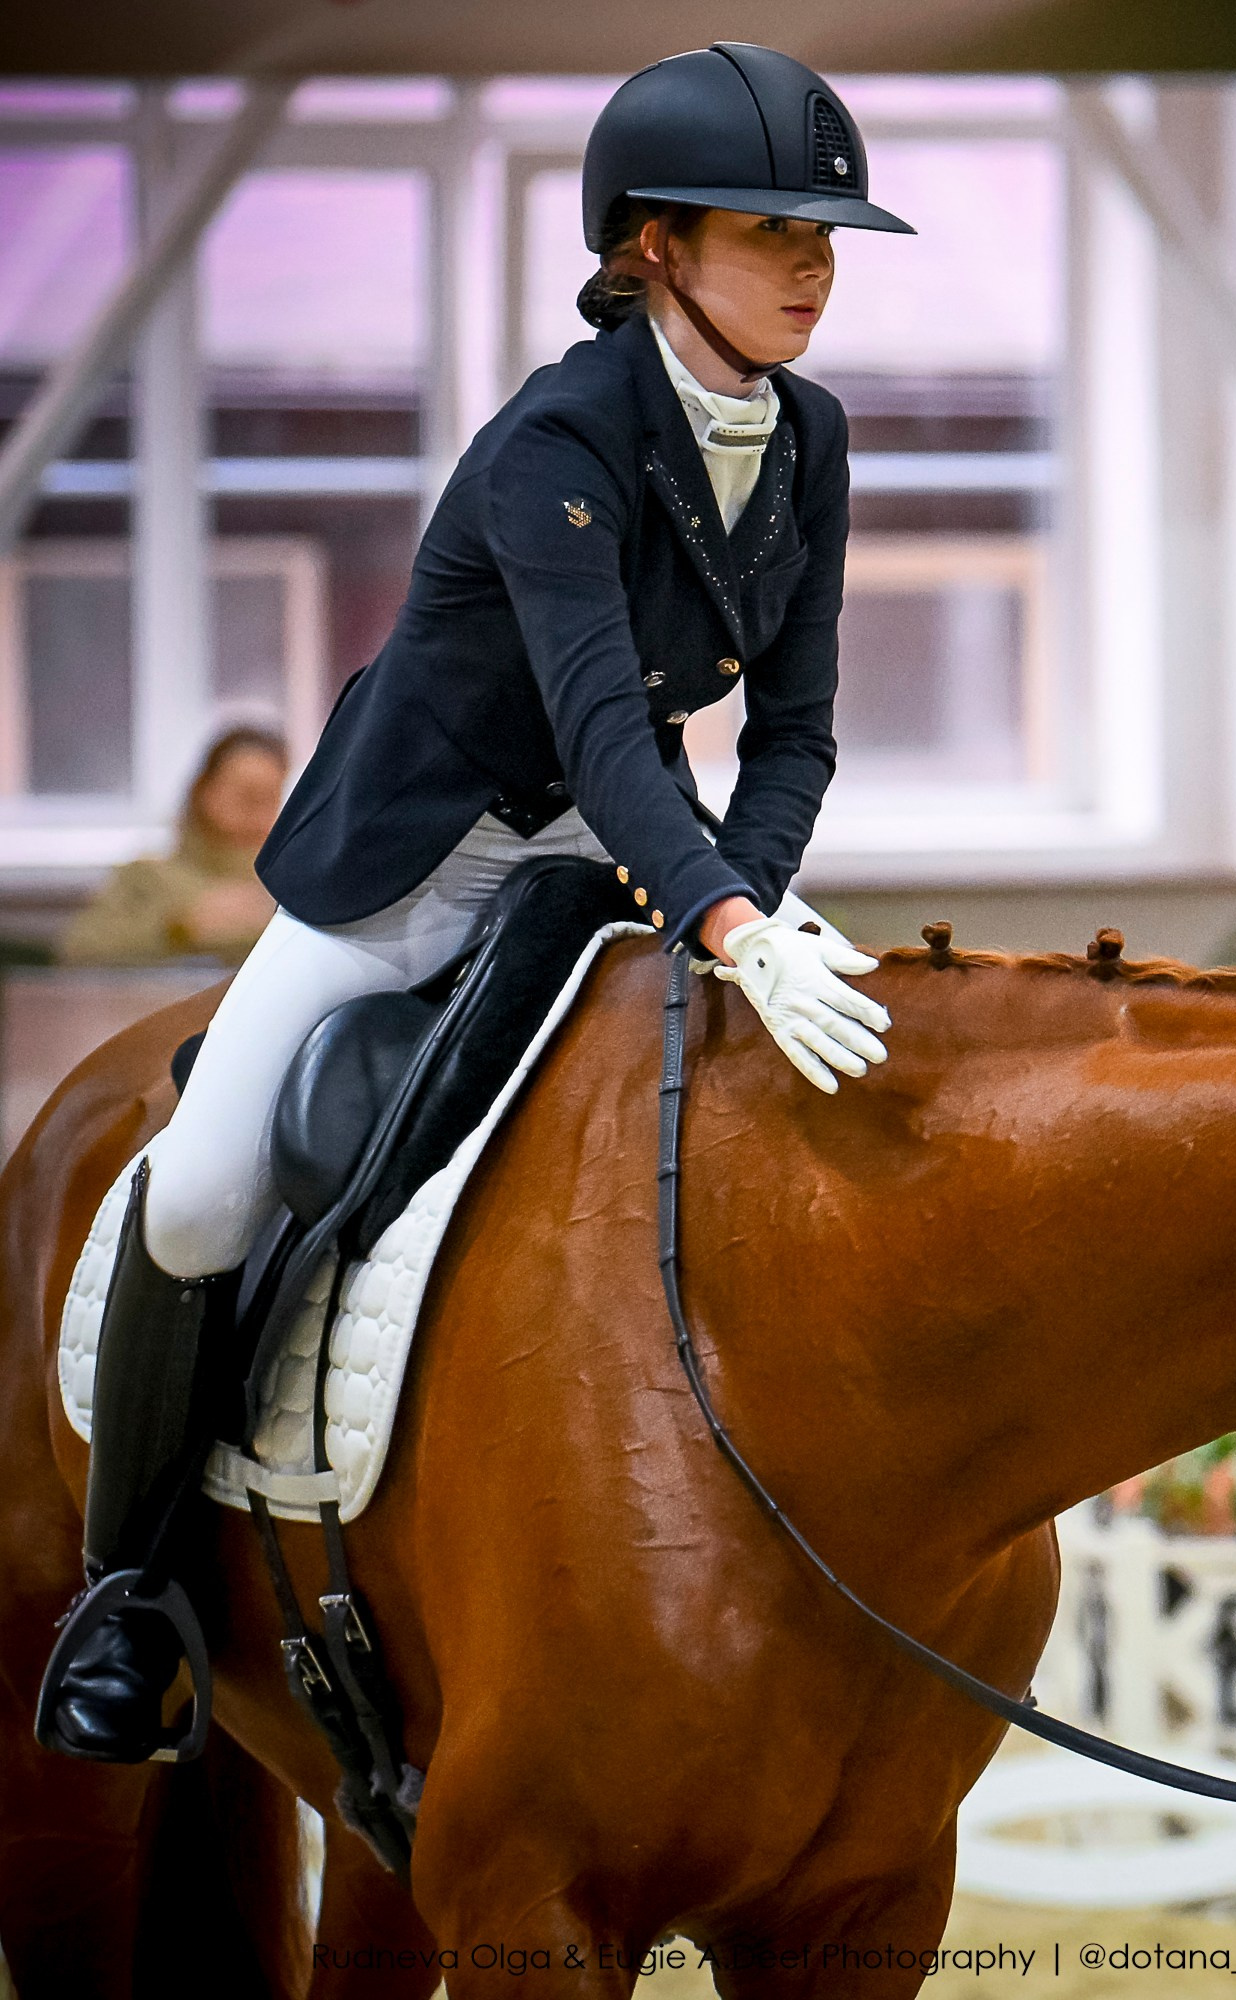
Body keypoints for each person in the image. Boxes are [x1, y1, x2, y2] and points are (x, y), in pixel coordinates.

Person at [41, 42, 911, 1764]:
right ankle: (124, 1590)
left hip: (599, 869)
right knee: (208, 1187)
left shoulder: (810, 436)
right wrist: (725, 920)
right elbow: (604, 714)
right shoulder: (556, 438)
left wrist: (764, 904)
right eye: (774, 230)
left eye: (829, 235)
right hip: (406, 867)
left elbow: (796, 724)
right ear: (652, 244)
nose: (816, 265)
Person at [60, 726, 287, 967]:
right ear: (205, 793)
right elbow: (78, 952)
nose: (260, 817)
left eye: (271, 800)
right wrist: (181, 929)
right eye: (248, 797)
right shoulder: (146, 879)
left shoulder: (289, 888)